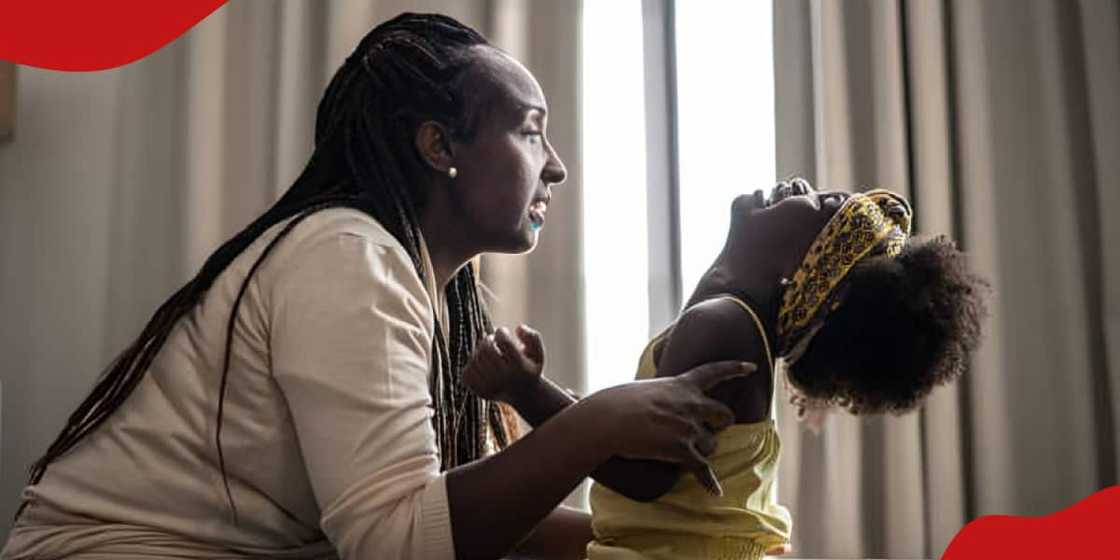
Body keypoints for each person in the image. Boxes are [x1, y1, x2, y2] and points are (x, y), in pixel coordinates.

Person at [1, 13, 753, 560]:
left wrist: (651, 546)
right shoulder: (346, 256)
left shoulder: (411, 278)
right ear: (438, 146)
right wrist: (595, 425)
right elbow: (400, 546)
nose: (555, 165)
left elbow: (437, 510)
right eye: (530, 130)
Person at [465, 177, 988, 559]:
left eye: (821, 205)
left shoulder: (723, 326)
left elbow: (644, 475)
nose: (800, 184)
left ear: (809, 269)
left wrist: (526, 392)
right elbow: (634, 441)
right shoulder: (726, 317)